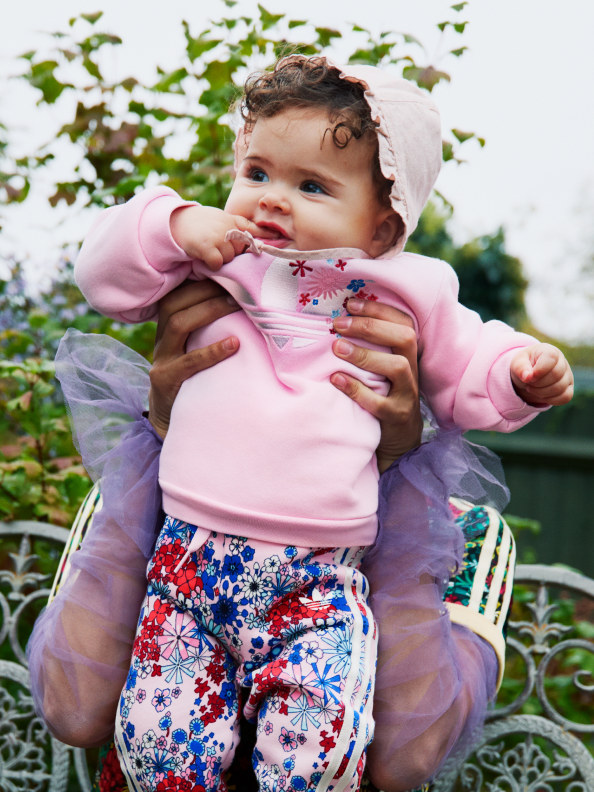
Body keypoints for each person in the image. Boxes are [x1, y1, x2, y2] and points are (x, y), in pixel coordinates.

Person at [33, 55, 572, 791]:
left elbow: (467, 355)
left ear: (382, 228)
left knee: (316, 746)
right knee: (162, 742)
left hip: (314, 577)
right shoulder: (222, 263)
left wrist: (518, 372)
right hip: (186, 555)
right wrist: (176, 222)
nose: (270, 201)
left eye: (311, 186)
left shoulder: (404, 289)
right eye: (256, 173)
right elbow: (105, 270)